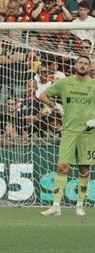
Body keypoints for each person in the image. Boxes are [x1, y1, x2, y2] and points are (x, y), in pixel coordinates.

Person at [38, 55, 95, 217]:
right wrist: (56, 106)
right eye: (80, 63)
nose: (82, 65)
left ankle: (80, 205)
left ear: (90, 68)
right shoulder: (64, 83)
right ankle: (56, 206)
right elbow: (42, 95)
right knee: (63, 167)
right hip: (69, 131)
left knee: (84, 169)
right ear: (75, 65)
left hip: (88, 133)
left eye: (86, 64)